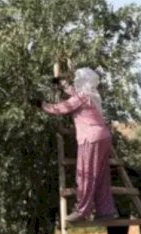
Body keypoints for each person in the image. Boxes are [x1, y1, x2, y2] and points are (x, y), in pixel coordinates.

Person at [33, 67, 117, 222]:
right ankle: (106, 211)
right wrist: (63, 85)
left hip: (90, 138)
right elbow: (75, 93)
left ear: (82, 81)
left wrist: (41, 105)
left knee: (86, 173)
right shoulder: (93, 94)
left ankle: (82, 211)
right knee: (101, 175)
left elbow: (61, 108)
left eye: (78, 79)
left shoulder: (82, 97)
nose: (76, 82)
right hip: (104, 137)